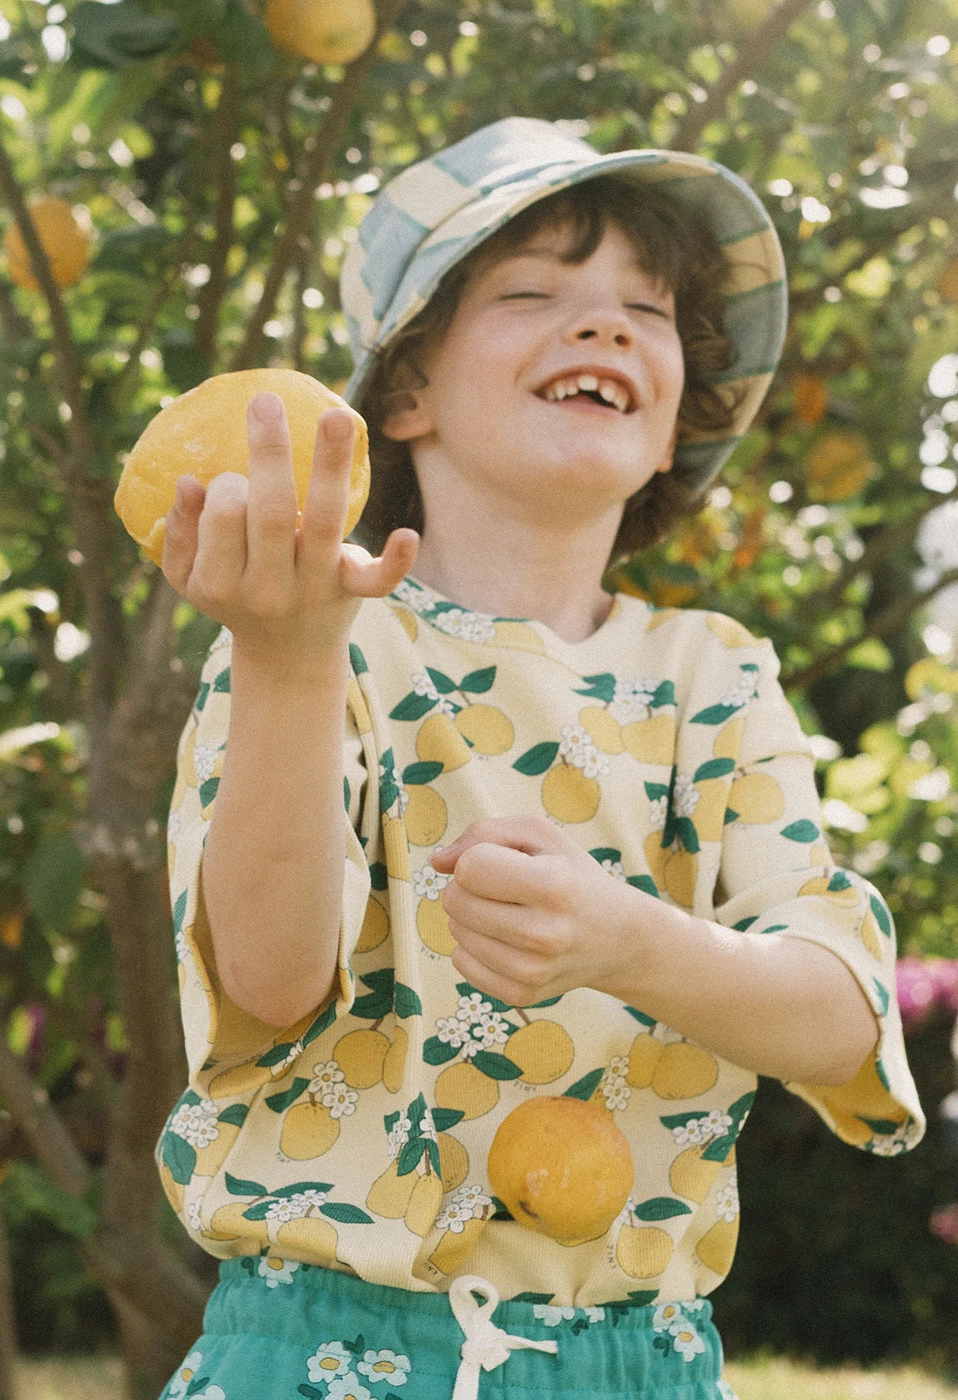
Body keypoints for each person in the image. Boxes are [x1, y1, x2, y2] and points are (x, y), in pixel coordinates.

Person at [153, 118, 924, 1400]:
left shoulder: (711, 678)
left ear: (675, 415)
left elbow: (839, 1012)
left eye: (646, 308)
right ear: (403, 391)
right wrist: (285, 670)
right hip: (321, 1352)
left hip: (638, 1360)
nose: (606, 325)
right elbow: (271, 980)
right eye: (532, 293)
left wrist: (628, 940)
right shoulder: (305, 637)